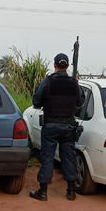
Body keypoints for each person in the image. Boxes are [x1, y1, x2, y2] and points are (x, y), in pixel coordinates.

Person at [29, 52, 84, 201]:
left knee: (47, 158)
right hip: (68, 127)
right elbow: (80, 102)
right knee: (69, 157)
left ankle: (43, 192)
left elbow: (36, 102)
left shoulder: (48, 82)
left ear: (54, 65)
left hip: (51, 125)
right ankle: (71, 192)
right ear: (67, 66)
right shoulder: (74, 83)